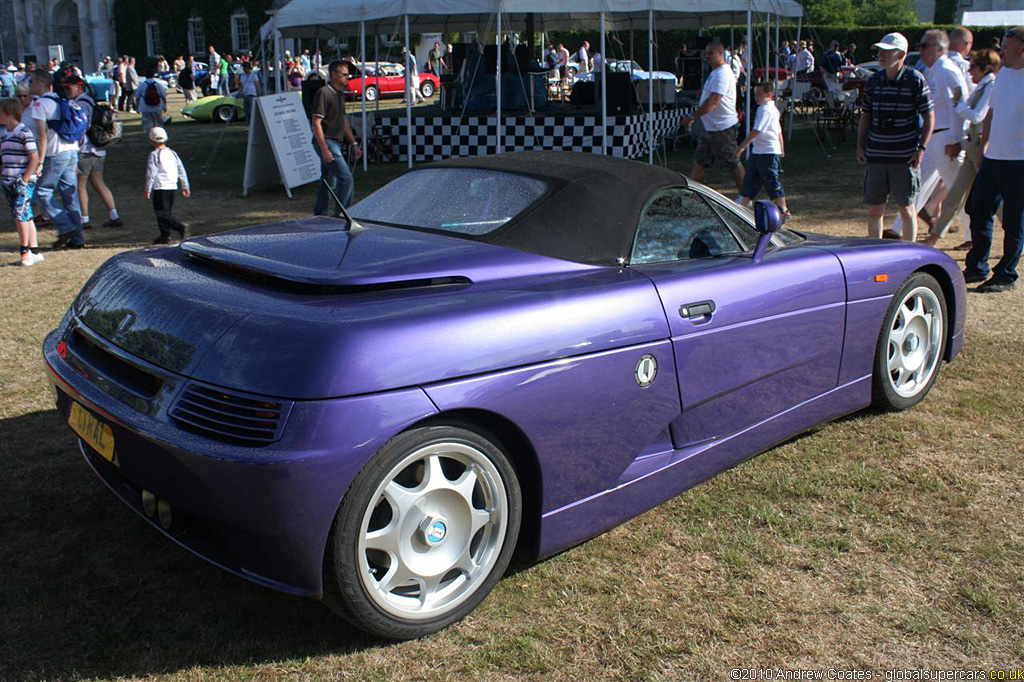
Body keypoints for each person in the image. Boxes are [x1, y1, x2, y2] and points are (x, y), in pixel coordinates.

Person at [889, 30, 969, 239]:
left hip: (945, 138)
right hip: (934, 137)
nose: (921, 50)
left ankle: (974, 235)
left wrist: (956, 140)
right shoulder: (934, 70)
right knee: (919, 184)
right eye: (921, 45)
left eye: (926, 46)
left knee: (959, 188)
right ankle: (897, 229)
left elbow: (959, 106)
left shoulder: (946, 70)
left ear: (940, 49)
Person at [963, 26, 1024, 293]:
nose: (1002, 52)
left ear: (1022, 50)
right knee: (977, 211)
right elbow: (992, 113)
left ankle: (1006, 274)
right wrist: (983, 146)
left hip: (1019, 162)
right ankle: (977, 266)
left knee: (1014, 221)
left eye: (1007, 48)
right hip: (993, 158)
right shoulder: (1004, 76)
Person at [857, 32, 934, 242]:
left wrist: (921, 148)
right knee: (874, 210)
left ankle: (910, 252)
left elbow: (929, 116)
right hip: (876, 155)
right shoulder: (873, 81)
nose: (881, 55)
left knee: (907, 209)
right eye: (880, 51)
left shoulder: (915, 80)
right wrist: (860, 146)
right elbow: (866, 116)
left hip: (904, 156)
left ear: (900, 54)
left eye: (887, 52)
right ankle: (875, 249)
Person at [923, 48, 1000, 250]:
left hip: (982, 151)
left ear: (985, 68)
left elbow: (977, 116)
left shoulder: (991, 86)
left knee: (997, 202)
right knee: (955, 196)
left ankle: (1017, 235)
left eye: (973, 66)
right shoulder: (983, 85)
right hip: (973, 149)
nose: (969, 70)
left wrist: (958, 104)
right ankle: (933, 237)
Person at [26, 68, 85, 249]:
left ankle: (66, 227)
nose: (30, 86)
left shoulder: (40, 105)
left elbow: (41, 136)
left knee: (43, 191)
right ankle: (78, 238)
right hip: (71, 150)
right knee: (70, 194)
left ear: (39, 83)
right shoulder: (62, 100)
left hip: (54, 152)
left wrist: (40, 161)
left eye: (32, 82)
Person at [682, 41, 744, 195]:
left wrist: (693, 117)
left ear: (721, 54)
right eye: (706, 53)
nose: (707, 57)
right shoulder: (714, 72)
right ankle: (689, 196)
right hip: (711, 127)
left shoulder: (723, 73)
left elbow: (715, 100)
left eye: (711, 53)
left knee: (732, 162)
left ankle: (746, 195)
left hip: (722, 127)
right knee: (700, 161)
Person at [71, 75, 122, 230]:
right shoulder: (91, 102)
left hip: (85, 150)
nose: (67, 90)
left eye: (69, 87)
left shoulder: (79, 104)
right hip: (99, 148)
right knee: (99, 182)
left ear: (78, 88)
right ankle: (114, 215)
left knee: (80, 185)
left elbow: (82, 127)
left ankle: (84, 218)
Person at [311, 60, 361, 215]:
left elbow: (343, 121)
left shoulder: (339, 94)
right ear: (334, 75)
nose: (348, 78)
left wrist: (353, 143)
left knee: (328, 181)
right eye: (345, 75)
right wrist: (325, 149)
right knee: (346, 178)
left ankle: (320, 213)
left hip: (336, 142)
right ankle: (342, 214)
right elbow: (316, 123)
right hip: (327, 142)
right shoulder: (324, 93)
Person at [735, 81, 789, 217]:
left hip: (768, 152)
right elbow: (778, 130)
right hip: (758, 151)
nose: (756, 97)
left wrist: (741, 147)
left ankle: (783, 208)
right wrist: (782, 147)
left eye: (760, 94)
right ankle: (744, 204)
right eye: (755, 94)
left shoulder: (766, 110)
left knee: (771, 179)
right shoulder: (767, 109)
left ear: (769, 94)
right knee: (751, 179)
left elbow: (757, 130)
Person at [0, 97, 43, 265]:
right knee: (26, 215)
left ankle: (25, 252)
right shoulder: (5, 134)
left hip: (21, 181)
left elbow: (34, 157)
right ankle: (34, 250)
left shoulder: (24, 132)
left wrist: (24, 180)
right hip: (8, 181)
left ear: (9, 113)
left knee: (20, 215)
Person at [144, 126, 190, 244]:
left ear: (151, 140)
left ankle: (179, 227)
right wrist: (185, 185)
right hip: (172, 186)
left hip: (160, 187)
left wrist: (147, 189)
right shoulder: (173, 153)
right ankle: (164, 235)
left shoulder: (154, 155)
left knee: (161, 212)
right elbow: (181, 169)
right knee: (166, 212)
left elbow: (151, 173)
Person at [134, 68, 167, 134]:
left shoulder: (142, 85)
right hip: (157, 106)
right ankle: (159, 135)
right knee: (158, 123)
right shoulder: (158, 84)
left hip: (145, 107)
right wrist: (165, 106)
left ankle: (151, 136)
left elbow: (137, 97)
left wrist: (137, 107)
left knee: (147, 124)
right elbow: (163, 96)